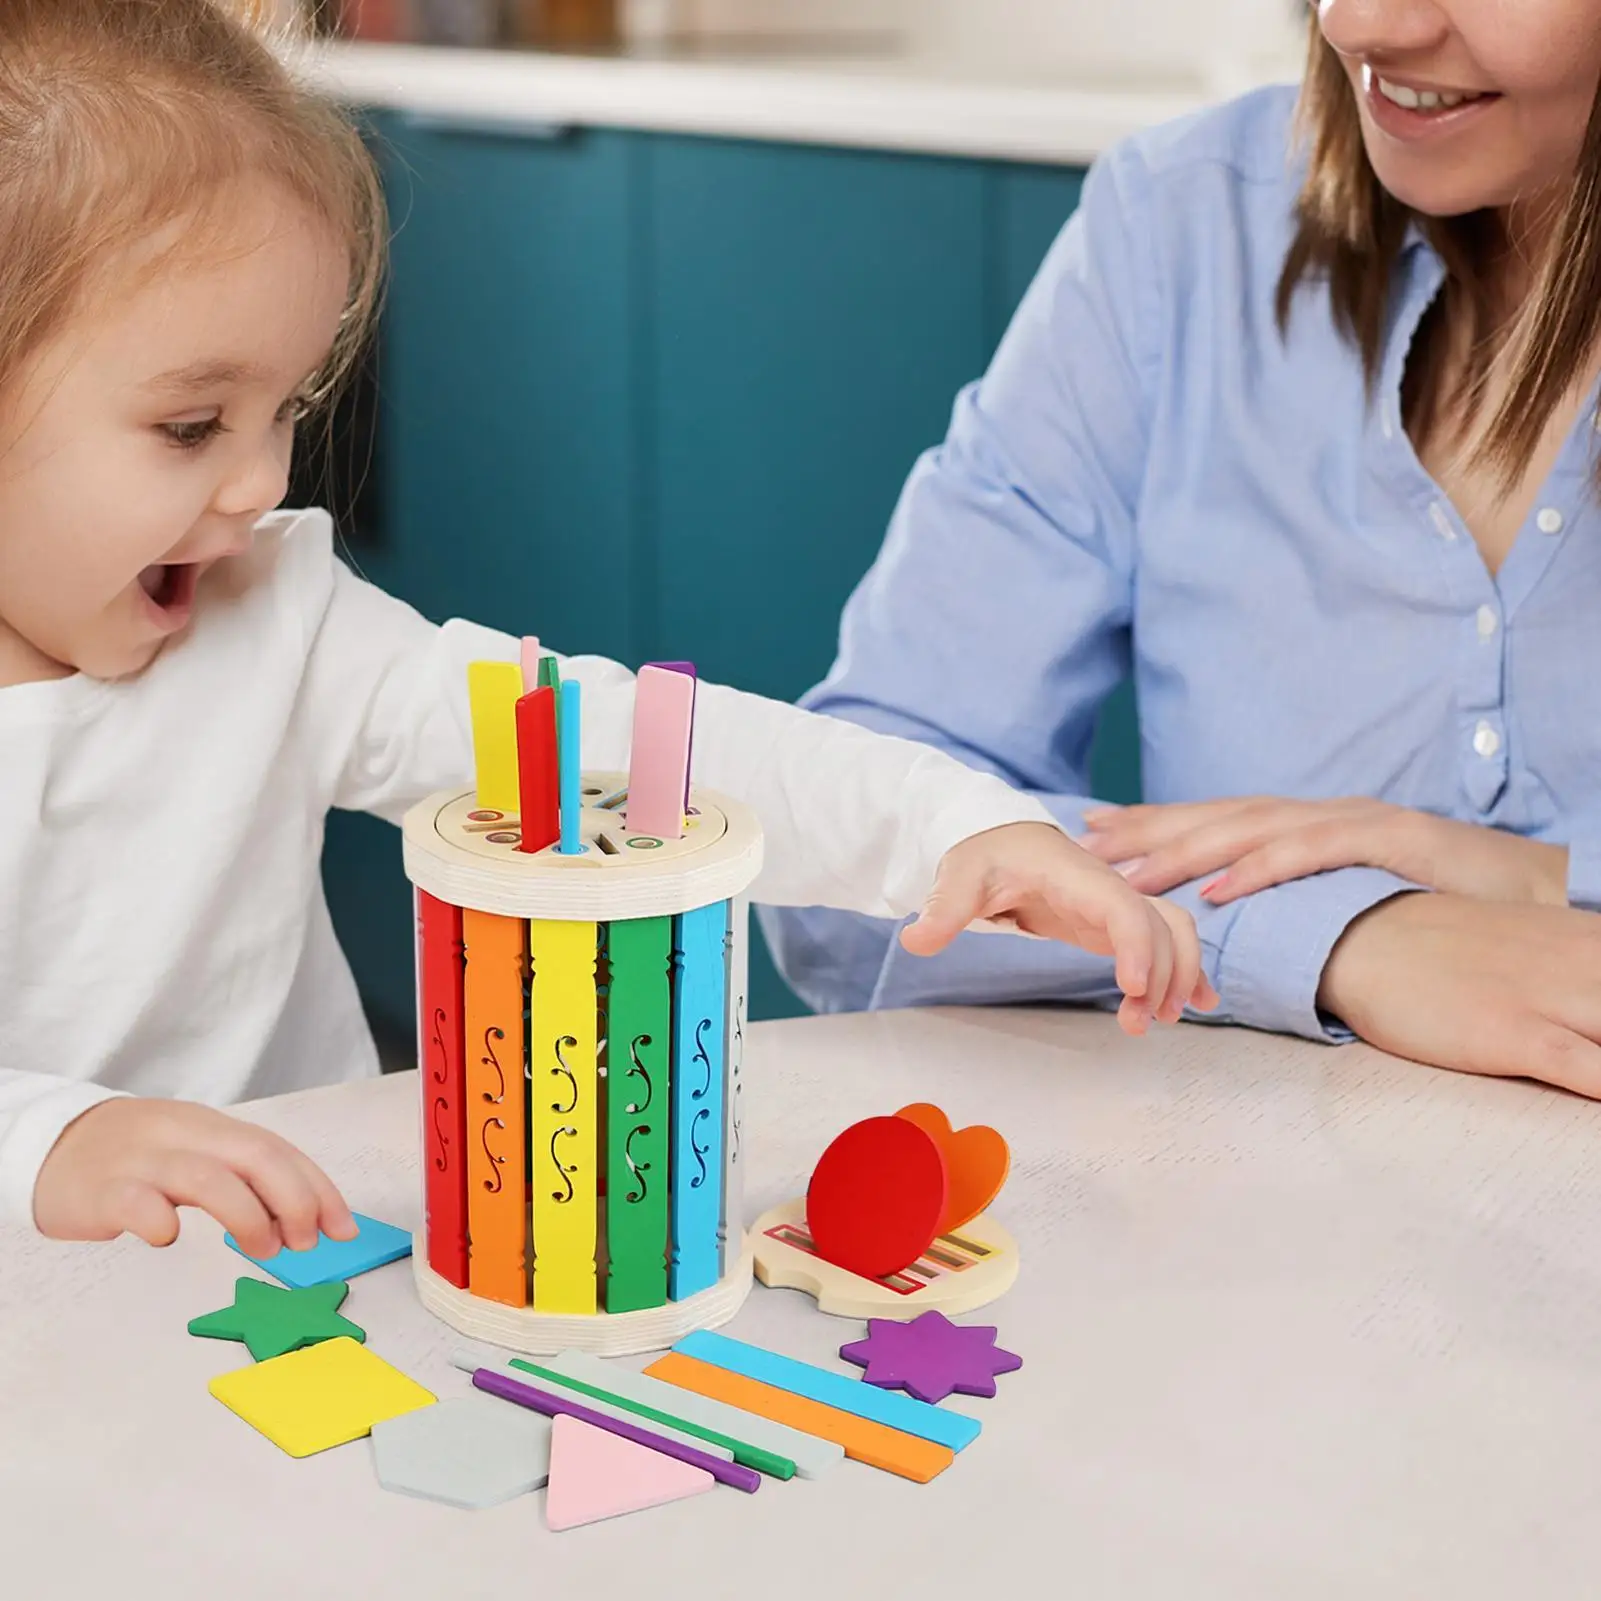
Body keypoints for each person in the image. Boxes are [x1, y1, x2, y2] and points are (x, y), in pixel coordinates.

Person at [0, 0, 1210, 1259]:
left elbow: (633, 749)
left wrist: (956, 823)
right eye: (193, 427)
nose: (261, 483)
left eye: (287, 408)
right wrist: (46, 1142)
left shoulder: (279, 622)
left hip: (308, 1286)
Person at [764, 1, 1601, 1098]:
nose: (1355, 20)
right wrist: (1346, 933)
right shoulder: (1180, 228)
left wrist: (1543, 881)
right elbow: (841, 862)